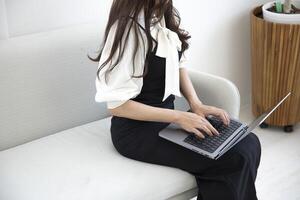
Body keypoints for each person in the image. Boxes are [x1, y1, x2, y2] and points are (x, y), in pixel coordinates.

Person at [90, 0, 261, 199]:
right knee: (233, 158)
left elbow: (177, 63)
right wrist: (179, 117)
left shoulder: (161, 12)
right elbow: (117, 105)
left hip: (168, 119)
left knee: (248, 142)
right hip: (136, 131)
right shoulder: (129, 29)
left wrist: (196, 104)